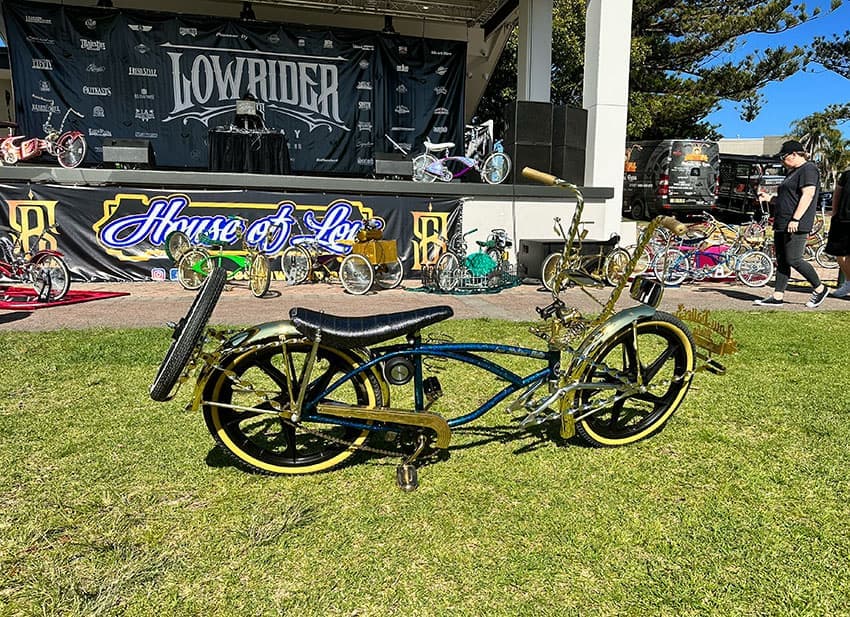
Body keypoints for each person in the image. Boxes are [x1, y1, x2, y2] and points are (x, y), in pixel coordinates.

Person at [754, 140, 829, 308]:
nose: (782, 161)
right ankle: (777, 296)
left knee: (794, 258)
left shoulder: (808, 169)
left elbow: (807, 195)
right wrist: (769, 199)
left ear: (795, 154)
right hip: (782, 221)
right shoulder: (792, 172)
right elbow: (787, 198)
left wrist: (796, 219)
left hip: (796, 223)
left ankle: (820, 288)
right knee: (782, 260)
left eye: (783, 157)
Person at [826, 168, 850, 297]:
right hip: (842, 219)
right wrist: (834, 213)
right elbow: (837, 194)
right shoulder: (846, 175)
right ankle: (848, 282)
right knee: (839, 253)